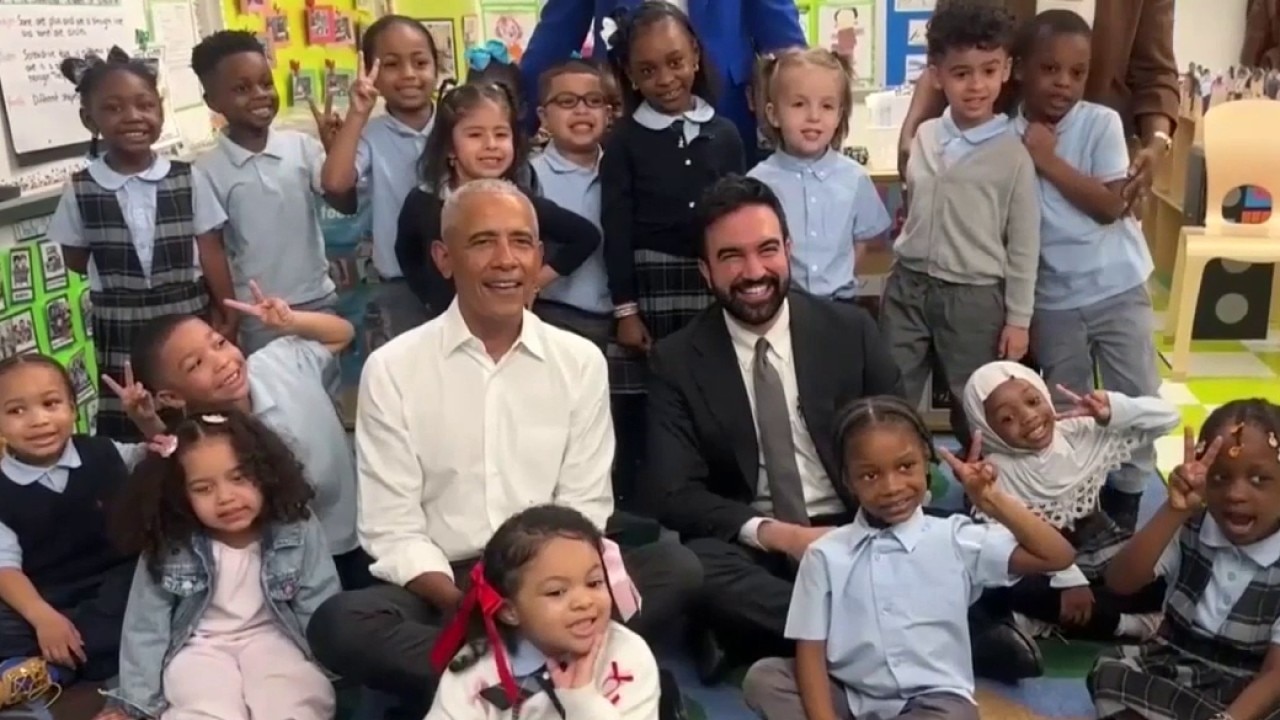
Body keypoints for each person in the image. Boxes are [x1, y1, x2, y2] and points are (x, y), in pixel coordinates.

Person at [306, 179, 701, 718]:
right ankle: (545, 676)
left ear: (539, 256)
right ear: (445, 259)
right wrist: (476, 606)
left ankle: (488, 685)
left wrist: (539, 598)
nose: (506, 260)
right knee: (340, 624)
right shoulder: (394, 369)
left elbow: (585, 506)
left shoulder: (579, 361)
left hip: (554, 578)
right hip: (444, 590)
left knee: (677, 567)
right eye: (483, 242)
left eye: (521, 242)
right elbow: (391, 528)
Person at [742, 396, 1075, 720]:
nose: (891, 487)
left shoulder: (955, 537)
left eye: (905, 467)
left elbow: (1057, 556)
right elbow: (811, 654)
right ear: (848, 481)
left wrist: (992, 501)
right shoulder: (825, 553)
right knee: (767, 678)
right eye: (870, 475)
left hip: (934, 703)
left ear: (926, 462)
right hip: (847, 693)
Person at [1013, 10, 1162, 531]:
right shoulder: (1007, 136)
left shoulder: (1099, 123)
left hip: (1118, 287)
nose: (1064, 84)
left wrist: (1048, 160)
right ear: (1019, 70)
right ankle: (1078, 502)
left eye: (1077, 73)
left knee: (1136, 392)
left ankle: (1129, 494)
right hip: (1054, 298)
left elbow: (1110, 205)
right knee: (1065, 404)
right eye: (1050, 69)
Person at [96, 412, 339, 720]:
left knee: (295, 696)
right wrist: (137, 704)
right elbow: (146, 626)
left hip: (275, 638)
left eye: (239, 478)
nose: (226, 498)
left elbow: (318, 599)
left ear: (266, 473)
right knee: (206, 704)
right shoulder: (171, 541)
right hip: (199, 646)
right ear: (179, 495)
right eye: (203, 488)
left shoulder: (295, 525)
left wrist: (333, 667)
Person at [49, 47, 236, 441]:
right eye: (114, 109)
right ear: (90, 119)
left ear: (160, 110)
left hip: (186, 314)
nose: (133, 117)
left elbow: (210, 248)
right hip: (121, 323)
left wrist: (225, 308)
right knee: (133, 417)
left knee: (198, 409)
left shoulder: (188, 177)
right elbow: (76, 258)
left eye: (144, 105)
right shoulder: (82, 188)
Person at [125, 288, 367, 589]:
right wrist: (149, 424)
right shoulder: (201, 443)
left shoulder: (279, 361)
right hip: (285, 568)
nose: (221, 361)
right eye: (195, 364)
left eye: (220, 343)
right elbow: (176, 467)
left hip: (360, 534)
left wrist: (292, 321)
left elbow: (342, 333)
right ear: (171, 396)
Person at [879, 1, 1039, 447]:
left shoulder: (1014, 156)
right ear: (937, 74)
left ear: (1006, 69)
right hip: (909, 287)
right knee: (894, 390)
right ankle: (904, 481)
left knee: (976, 400)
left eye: (988, 71)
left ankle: (985, 492)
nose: (976, 85)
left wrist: (1019, 320)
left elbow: (1025, 244)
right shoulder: (926, 136)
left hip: (974, 297)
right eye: (961, 72)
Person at [1089, 400, 1280, 720]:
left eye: (1259, 480)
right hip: (1176, 663)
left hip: (1251, 688)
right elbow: (1120, 582)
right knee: (1109, 672)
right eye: (1219, 477)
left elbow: (1274, 677)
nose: (1236, 494)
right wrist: (1173, 511)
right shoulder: (1192, 525)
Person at [961, 361, 1176, 642]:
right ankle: (1126, 626)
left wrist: (1116, 411)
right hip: (1040, 563)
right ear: (986, 428)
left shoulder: (1078, 431)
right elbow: (1008, 543)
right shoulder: (993, 472)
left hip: (1099, 544)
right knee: (983, 586)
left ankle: (1037, 624)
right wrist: (1069, 580)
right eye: (1006, 419)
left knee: (1156, 580)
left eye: (1032, 401)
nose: (1028, 417)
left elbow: (1169, 418)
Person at [898, 0, 1179, 207]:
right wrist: (912, 132)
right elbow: (951, 50)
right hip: (997, 153)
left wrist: (1157, 142)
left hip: (1097, 169)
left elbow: (1154, 72)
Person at [191, 31, 352, 354]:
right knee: (273, 397)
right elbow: (213, 250)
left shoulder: (301, 148)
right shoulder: (206, 170)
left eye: (266, 83)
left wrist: (335, 151)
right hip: (258, 312)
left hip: (316, 301)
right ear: (212, 101)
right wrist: (230, 312)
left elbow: (345, 202)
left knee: (324, 395)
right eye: (241, 88)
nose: (260, 95)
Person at [426, 505, 660, 720]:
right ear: (509, 611)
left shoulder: (628, 655)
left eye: (594, 583)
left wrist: (581, 701)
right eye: (557, 592)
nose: (583, 601)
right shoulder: (475, 669)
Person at [0, 356, 147, 691]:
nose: (38, 420)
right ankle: (42, 665)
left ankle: (50, 669)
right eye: (16, 411)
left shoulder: (105, 452)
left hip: (115, 582)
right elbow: (5, 568)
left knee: (144, 598)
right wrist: (42, 616)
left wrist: (148, 421)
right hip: (45, 595)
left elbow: (167, 455)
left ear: (74, 406)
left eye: (51, 404)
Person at [395, 80, 600, 319]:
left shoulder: (519, 204)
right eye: (475, 135)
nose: (491, 145)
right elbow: (406, 253)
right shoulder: (425, 201)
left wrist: (534, 283)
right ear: (450, 147)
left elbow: (585, 236)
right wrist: (430, 299)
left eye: (501, 134)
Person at [520, 0, 806, 158]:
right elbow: (555, 35)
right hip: (625, 104)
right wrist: (514, 125)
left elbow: (779, 30)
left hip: (727, 105)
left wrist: (806, 105)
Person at [319, 16, 440, 336]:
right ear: (372, 74)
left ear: (437, 68)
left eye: (420, 62)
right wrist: (357, 113)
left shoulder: (458, 125)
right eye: (391, 64)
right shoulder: (370, 134)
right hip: (400, 284)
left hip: (460, 277)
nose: (409, 74)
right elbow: (334, 183)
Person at [747, 48, 891, 303]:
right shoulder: (758, 183)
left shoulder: (855, 178)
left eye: (826, 106)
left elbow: (864, 241)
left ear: (839, 115)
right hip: (782, 305)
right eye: (799, 104)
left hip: (840, 303)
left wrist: (837, 276)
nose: (814, 117)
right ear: (774, 114)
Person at [529, 59, 614, 351]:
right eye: (566, 101)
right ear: (543, 116)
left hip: (617, 320)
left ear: (608, 113)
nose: (581, 110)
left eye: (593, 101)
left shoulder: (622, 172)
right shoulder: (530, 176)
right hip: (552, 316)